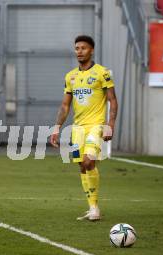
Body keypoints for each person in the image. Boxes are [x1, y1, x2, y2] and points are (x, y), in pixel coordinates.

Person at [50, 35, 118, 221]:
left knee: (89, 161)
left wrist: (110, 125)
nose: (79, 51)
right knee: (82, 166)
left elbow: (112, 100)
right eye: (77, 48)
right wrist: (57, 128)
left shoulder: (102, 73)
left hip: (96, 125)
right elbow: (65, 106)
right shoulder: (71, 76)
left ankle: (94, 209)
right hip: (77, 128)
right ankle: (93, 207)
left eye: (83, 48)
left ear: (92, 50)